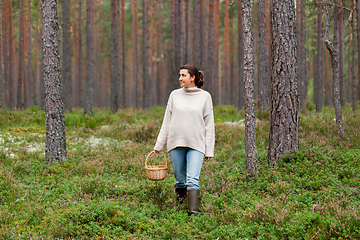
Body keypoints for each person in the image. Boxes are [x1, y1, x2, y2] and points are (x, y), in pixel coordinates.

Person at [154, 64, 215, 215]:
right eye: (180, 75)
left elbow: (209, 125)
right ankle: (179, 209)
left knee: (193, 179)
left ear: (193, 77)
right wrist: (159, 144)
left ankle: (193, 213)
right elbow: (166, 121)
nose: (180, 78)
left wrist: (209, 149)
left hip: (197, 144)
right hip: (176, 143)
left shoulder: (205, 97)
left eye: (183, 75)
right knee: (180, 180)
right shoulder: (174, 95)